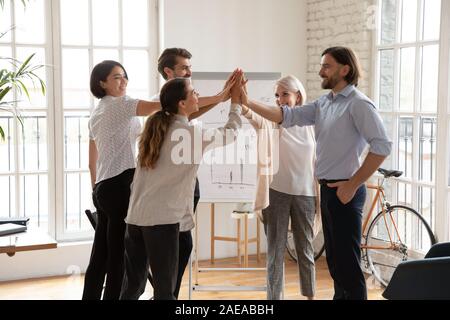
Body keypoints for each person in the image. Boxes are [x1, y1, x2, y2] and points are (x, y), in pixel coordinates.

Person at [240, 47, 392, 300]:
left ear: (345, 70)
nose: (320, 71)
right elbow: (284, 115)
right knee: (335, 262)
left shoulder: (359, 104)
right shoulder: (325, 103)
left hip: (345, 192)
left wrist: (352, 185)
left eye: (327, 66)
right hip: (327, 190)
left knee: (349, 265)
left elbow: (382, 146)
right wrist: (245, 101)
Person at [120, 72, 243, 300]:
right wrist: (235, 103)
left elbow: (190, 115)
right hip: (161, 222)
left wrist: (222, 96)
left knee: (132, 288)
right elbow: (231, 133)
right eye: (194, 92)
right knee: (164, 292)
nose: (198, 95)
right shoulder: (190, 134)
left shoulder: (155, 128)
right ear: (182, 103)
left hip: (136, 218)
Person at [148, 47, 233, 298]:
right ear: (168, 71)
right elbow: (188, 112)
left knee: (182, 246)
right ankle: (166, 294)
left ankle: (167, 294)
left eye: (189, 67)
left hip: (187, 186)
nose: (189, 71)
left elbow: (190, 111)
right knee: (178, 246)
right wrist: (222, 97)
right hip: (168, 194)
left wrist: (220, 97)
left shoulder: (182, 105)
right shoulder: (159, 103)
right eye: (184, 67)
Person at [83, 60, 161, 300]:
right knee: (119, 255)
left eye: (124, 76)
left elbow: (91, 160)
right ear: (102, 83)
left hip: (104, 186)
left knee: (101, 255)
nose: (123, 80)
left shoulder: (97, 112)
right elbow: (159, 106)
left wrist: (96, 189)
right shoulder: (121, 105)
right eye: (117, 77)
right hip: (120, 185)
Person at [241, 75, 317, 300]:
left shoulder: (312, 123)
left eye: (285, 94)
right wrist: (243, 100)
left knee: (305, 250)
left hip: (306, 194)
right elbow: (252, 116)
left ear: (298, 96)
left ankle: (310, 295)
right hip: (276, 193)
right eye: (277, 95)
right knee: (276, 251)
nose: (280, 99)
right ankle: (274, 299)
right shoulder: (271, 121)